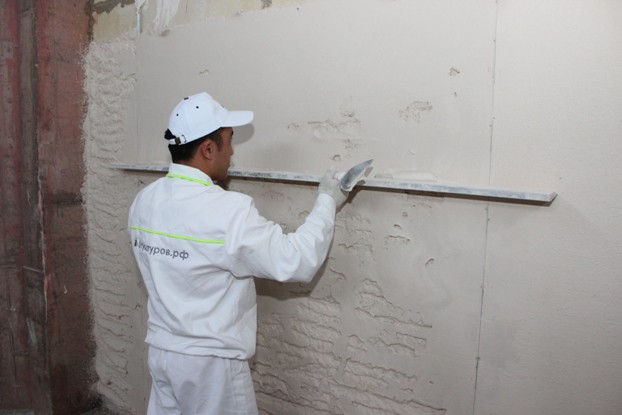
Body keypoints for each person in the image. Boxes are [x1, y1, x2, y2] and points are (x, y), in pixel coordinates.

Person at [128, 92, 348, 415]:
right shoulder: (227, 211)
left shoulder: (144, 201)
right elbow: (295, 261)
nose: (231, 151)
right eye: (229, 140)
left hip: (163, 354)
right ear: (208, 149)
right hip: (210, 368)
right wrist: (327, 200)